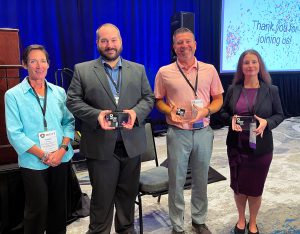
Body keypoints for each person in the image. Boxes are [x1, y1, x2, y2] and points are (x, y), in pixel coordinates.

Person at [66, 23, 154, 234]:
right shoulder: (83, 70)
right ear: (97, 43)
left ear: (121, 41)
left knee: (127, 197)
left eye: (113, 40)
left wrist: (136, 113)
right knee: (102, 199)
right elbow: (72, 101)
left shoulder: (138, 69)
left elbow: (148, 99)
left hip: (131, 145)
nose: (109, 45)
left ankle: (126, 230)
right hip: (100, 146)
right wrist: (96, 115)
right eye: (104, 40)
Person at [154, 27, 224, 234]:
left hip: (203, 131)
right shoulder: (164, 72)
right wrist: (169, 110)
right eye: (179, 43)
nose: (184, 46)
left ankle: (199, 220)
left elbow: (218, 98)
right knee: (176, 180)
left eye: (188, 42)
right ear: (174, 47)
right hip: (178, 132)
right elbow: (158, 101)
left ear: (195, 44)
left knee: (201, 178)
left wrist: (207, 110)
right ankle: (177, 225)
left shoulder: (209, 69)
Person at [5, 44, 75, 234]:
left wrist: (61, 150)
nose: (39, 65)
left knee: (59, 209)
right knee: (37, 210)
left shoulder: (59, 92)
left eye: (43, 61)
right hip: (33, 162)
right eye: (33, 61)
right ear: (24, 65)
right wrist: (44, 155)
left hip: (61, 158)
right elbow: (15, 133)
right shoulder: (13, 95)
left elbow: (69, 122)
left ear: (48, 64)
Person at [219, 49, 284, 234]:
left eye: (254, 62)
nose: (250, 65)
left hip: (261, 148)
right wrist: (230, 119)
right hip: (236, 147)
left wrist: (267, 122)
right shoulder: (233, 89)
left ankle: (253, 221)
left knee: (255, 188)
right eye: (246, 62)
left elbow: (280, 114)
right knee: (239, 187)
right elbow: (223, 113)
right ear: (241, 66)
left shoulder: (271, 90)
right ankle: (241, 219)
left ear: (259, 65)